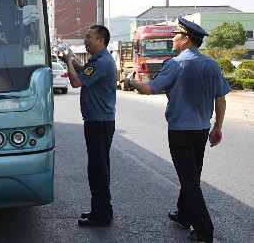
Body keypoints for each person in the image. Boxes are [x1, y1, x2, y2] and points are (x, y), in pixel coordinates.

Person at [122, 16, 230, 243]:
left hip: (180, 131)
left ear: (186, 39)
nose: (173, 39)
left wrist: (130, 82)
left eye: (176, 36)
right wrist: (218, 126)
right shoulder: (212, 64)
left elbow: (150, 89)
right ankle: (183, 216)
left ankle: (204, 231)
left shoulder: (175, 64)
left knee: (189, 179)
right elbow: (220, 98)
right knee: (192, 174)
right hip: (201, 130)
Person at [58, 25, 116, 227]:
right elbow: (85, 73)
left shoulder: (101, 62)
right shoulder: (99, 60)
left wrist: (67, 62)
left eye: (89, 37)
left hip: (99, 122)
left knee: (98, 168)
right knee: (98, 167)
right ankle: (101, 210)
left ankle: (101, 215)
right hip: (98, 120)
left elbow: (75, 82)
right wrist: (72, 58)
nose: (85, 39)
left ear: (101, 41)